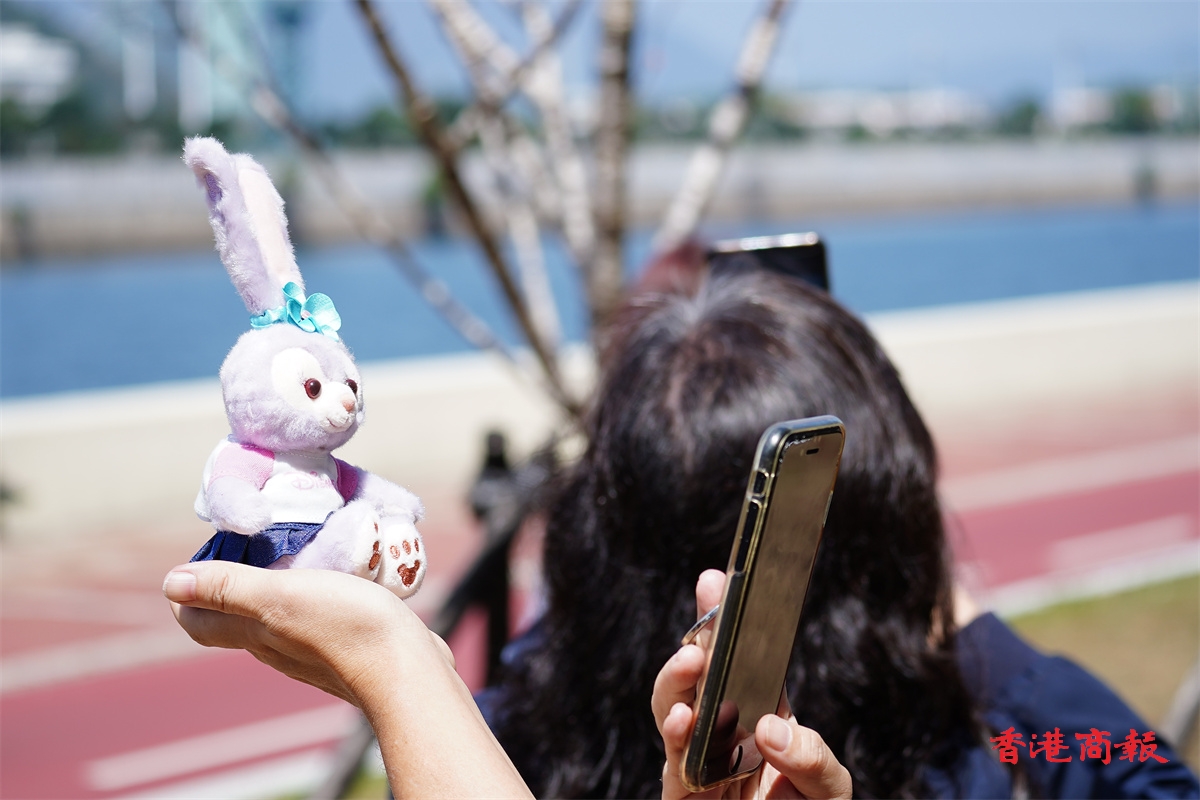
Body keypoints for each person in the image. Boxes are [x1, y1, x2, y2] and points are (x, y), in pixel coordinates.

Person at [476, 266, 1199, 798]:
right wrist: (984, 641)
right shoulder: (971, 750)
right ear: (891, 526)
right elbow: (1148, 777)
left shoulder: (489, 749)